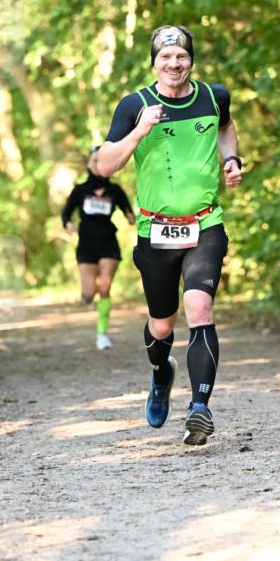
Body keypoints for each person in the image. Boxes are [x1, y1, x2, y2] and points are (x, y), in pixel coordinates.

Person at [97, 24, 243, 446]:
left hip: (205, 225)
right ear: (154, 62)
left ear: (190, 60)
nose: (174, 64)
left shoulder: (214, 96)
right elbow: (106, 165)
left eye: (181, 56)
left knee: (199, 307)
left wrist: (230, 158)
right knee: (162, 326)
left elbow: (225, 126)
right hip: (155, 232)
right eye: (165, 58)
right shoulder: (134, 104)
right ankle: (161, 374)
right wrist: (140, 130)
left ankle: (200, 408)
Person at [62, 146, 135, 350]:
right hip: (86, 244)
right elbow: (66, 214)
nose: (97, 165)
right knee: (89, 293)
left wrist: (131, 217)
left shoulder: (115, 190)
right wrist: (68, 224)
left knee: (105, 287)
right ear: (88, 164)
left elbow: (128, 212)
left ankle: (102, 334)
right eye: (94, 161)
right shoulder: (80, 190)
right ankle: (86, 295)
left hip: (108, 242)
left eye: (101, 161)